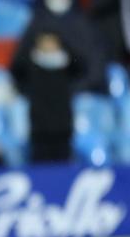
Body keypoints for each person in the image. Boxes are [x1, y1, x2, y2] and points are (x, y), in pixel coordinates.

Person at [15, 0, 105, 92]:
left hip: (77, 91)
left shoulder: (82, 24)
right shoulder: (38, 21)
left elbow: (95, 66)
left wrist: (75, 88)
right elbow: (20, 62)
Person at [12, 30, 82, 161]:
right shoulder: (31, 63)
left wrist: (67, 49)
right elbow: (16, 69)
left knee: (63, 166)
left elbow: (81, 65)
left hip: (62, 126)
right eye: (44, 42)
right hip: (40, 127)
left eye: (52, 42)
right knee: (41, 166)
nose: (48, 46)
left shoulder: (66, 63)